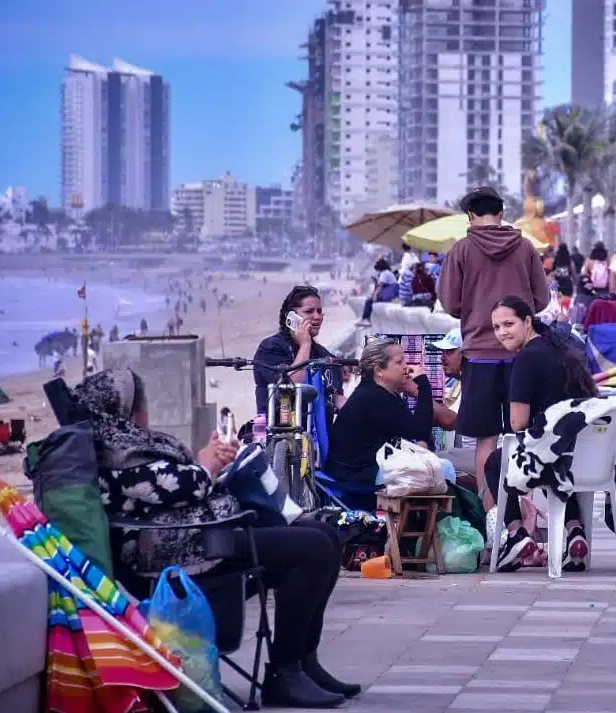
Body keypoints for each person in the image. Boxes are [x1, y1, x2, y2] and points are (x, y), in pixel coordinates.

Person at [74, 369, 357, 707]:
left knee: (323, 533)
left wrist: (210, 462)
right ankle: (285, 672)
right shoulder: (115, 455)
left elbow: (172, 486)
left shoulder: (124, 447)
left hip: (198, 538)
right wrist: (205, 465)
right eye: (140, 403)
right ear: (121, 410)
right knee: (312, 549)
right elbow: (183, 487)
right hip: (177, 555)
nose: (145, 411)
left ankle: (303, 661)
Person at [437, 186, 550, 508]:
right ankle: (523, 520)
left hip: (479, 355)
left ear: (470, 216)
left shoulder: (461, 250)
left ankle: (492, 521)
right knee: (525, 436)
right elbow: (541, 300)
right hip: (522, 357)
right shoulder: (526, 248)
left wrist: (475, 309)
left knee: (486, 440)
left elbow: (449, 302)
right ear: (501, 213)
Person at [482, 296, 595, 572]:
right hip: (584, 457)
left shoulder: (525, 360)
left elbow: (518, 423)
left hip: (550, 459)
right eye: (496, 327)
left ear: (528, 322)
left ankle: (517, 534)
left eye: (508, 324)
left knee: (496, 462)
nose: (502, 332)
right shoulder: (565, 349)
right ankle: (575, 530)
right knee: (552, 460)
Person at [322, 338, 434, 508]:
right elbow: (419, 431)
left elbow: (417, 433)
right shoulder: (374, 397)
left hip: (363, 469)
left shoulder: (380, 393)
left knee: (433, 467)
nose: (406, 366)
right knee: (441, 470)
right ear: (379, 370)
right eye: (399, 362)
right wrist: (423, 385)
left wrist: (421, 442)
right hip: (356, 476)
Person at [253, 286, 345, 419]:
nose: (317, 316)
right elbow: (292, 388)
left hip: (319, 437)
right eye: (309, 311)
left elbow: (334, 398)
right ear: (291, 317)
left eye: (319, 311)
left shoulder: (325, 356)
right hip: (281, 435)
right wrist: (305, 344)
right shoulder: (270, 348)